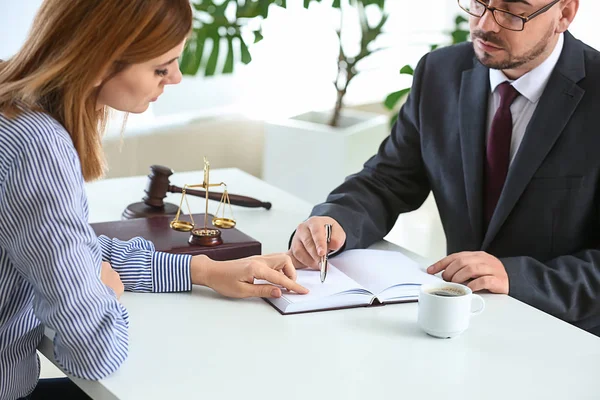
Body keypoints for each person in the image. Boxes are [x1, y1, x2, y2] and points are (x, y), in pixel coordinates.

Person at [0, 1, 308, 399]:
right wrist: (105, 289)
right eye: (161, 68)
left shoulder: (12, 101)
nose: (176, 78)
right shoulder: (37, 148)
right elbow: (93, 350)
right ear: (99, 61)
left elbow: (76, 248)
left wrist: (203, 270)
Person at [289, 0, 600, 336]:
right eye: (480, 3)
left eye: (512, 12)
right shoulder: (440, 72)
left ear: (564, 14)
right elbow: (388, 180)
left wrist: (516, 277)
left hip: (566, 337)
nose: (486, 25)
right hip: (454, 322)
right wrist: (336, 220)